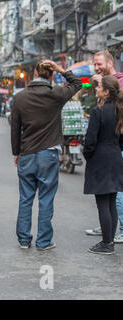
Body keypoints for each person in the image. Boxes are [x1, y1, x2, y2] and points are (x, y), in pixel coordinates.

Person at [11, 60, 82, 250]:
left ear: (34, 73)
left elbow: (15, 129)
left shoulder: (20, 97)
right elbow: (78, 84)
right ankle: (43, 242)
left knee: (25, 198)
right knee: (46, 199)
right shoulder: (56, 94)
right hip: (48, 154)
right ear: (51, 75)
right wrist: (61, 69)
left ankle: (24, 240)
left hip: (26, 153)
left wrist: (16, 153)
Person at [83, 76, 123, 255]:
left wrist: (88, 155)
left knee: (102, 202)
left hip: (100, 159)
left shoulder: (98, 111)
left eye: (99, 86)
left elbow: (90, 140)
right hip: (115, 157)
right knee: (111, 201)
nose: (96, 88)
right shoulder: (119, 110)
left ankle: (107, 243)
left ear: (106, 91)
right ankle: (110, 240)